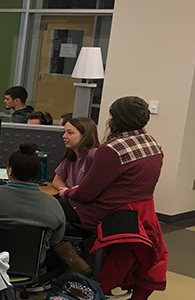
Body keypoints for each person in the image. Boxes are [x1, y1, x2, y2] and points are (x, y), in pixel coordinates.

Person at [0, 143, 89, 273]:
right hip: (31, 267)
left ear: (9, 170)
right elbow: (56, 239)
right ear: (37, 174)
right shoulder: (53, 205)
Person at [61, 96, 163, 230]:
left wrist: (68, 192)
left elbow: (86, 194)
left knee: (51, 209)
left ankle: (68, 249)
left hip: (109, 214)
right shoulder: (153, 144)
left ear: (117, 120)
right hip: (139, 213)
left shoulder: (112, 150)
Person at [52, 117, 100, 195]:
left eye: (70, 133)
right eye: (64, 132)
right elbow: (57, 180)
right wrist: (67, 191)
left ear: (84, 135)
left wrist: (69, 192)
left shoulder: (93, 154)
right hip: (73, 199)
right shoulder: (71, 154)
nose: (64, 136)